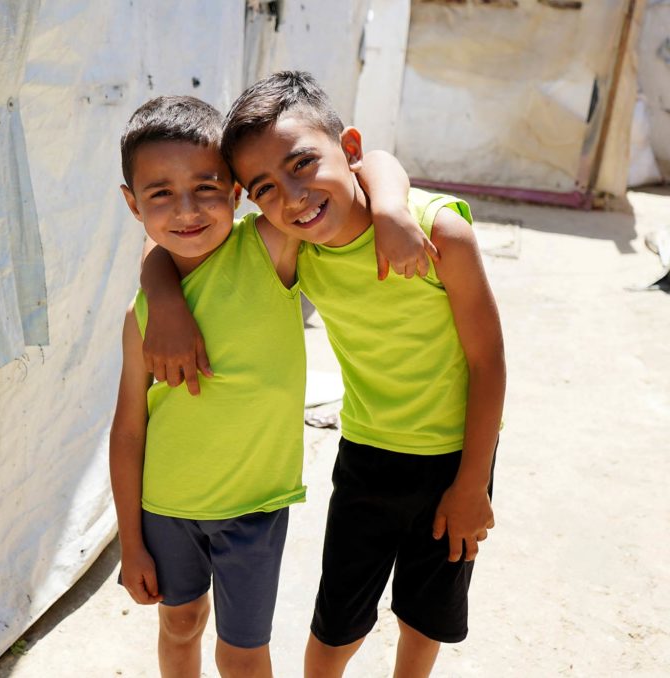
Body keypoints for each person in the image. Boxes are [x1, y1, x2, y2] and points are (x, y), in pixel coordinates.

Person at [143, 71, 506, 678]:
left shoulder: (438, 232)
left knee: (425, 613)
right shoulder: (297, 245)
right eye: (264, 186)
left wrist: (473, 484)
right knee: (338, 617)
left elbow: (488, 361)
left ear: (351, 152)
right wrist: (166, 301)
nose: (292, 195)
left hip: (455, 454)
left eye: (303, 164)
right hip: (365, 450)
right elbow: (171, 248)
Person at [110, 94, 429, 678]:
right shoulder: (141, 320)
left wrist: (391, 211)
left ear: (236, 192)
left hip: (255, 509)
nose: (187, 209)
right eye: (160, 194)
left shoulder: (268, 247)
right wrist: (131, 542)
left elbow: (370, 160)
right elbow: (130, 429)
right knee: (179, 626)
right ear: (133, 204)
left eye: (207, 187)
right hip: (165, 507)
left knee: (242, 651)